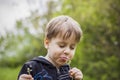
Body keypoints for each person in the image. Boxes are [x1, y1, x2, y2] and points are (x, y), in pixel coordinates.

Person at [18, 15, 83, 80]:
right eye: (61, 46)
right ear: (47, 43)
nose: (67, 51)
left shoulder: (69, 72)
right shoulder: (32, 67)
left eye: (72, 47)